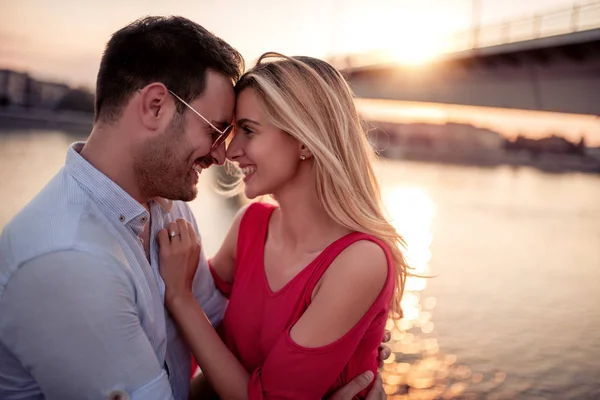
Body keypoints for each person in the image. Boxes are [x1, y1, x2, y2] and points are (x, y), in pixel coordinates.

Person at [0, 17, 387, 400]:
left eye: (239, 132)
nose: (224, 155)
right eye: (217, 130)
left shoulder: (169, 210)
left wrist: (344, 345)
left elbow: (220, 330)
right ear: (155, 107)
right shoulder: (68, 258)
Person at [158, 53, 410, 399]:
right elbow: (194, 333)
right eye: (234, 131)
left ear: (305, 139)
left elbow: (190, 311)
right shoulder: (250, 224)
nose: (231, 151)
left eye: (248, 130)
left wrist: (181, 298)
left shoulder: (360, 261)